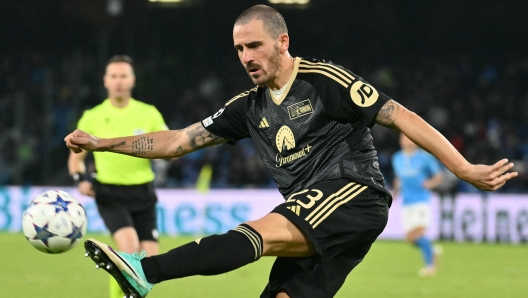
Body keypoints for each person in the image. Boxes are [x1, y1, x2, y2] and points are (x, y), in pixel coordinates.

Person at [64, 5, 517, 298]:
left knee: (259, 232)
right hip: (314, 212)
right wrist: (103, 144)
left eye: (254, 45)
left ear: (282, 42)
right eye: (239, 48)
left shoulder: (324, 80)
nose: (245, 56)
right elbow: (178, 141)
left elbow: (399, 114)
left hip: (353, 194)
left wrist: (462, 168)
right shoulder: (247, 106)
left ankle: (148, 271)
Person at [67, 55, 168, 298]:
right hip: (110, 193)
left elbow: (168, 144)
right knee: (130, 252)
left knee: (150, 263)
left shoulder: (149, 113)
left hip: (143, 192)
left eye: (123, 76)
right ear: (105, 81)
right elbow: (75, 158)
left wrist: (173, 154)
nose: (118, 81)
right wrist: (79, 179)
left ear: (132, 80)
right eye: (114, 76)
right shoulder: (92, 116)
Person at [392, 133, 443, 277]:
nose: (407, 140)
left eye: (409, 137)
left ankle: (430, 266)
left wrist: (429, 183)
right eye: (404, 138)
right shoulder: (397, 158)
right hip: (406, 201)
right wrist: (396, 192)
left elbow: (439, 176)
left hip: (421, 200)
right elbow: (397, 177)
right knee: (409, 238)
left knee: (418, 233)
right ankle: (432, 251)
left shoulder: (425, 157)